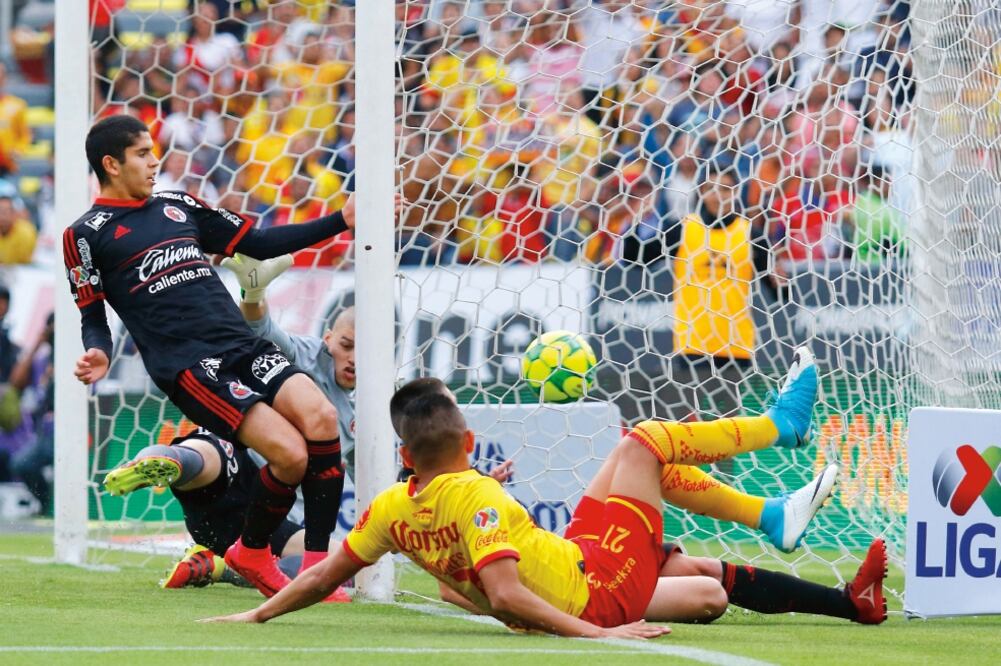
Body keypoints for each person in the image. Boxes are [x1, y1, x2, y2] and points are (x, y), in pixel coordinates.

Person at [204, 347, 885, 633]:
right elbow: (499, 594)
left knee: (698, 574)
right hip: (595, 590)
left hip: (576, 559)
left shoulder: (390, 508)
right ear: (467, 443)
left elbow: (325, 576)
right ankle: (777, 427)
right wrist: (598, 637)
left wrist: (255, 617)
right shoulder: (480, 500)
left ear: (404, 454)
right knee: (646, 441)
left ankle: (812, 560)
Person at [63, 114, 370, 598]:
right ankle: (253, 552)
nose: (154, 160)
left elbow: (258, 243)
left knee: (322, 416)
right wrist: (98, 353)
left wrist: (341, 221)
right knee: (288, 455)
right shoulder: (84, 234)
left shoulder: (175, 204)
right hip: (189, 364)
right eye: (142, 153)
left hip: (240, 343)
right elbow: (92, 315)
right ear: (111, 164)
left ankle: (313, 569)